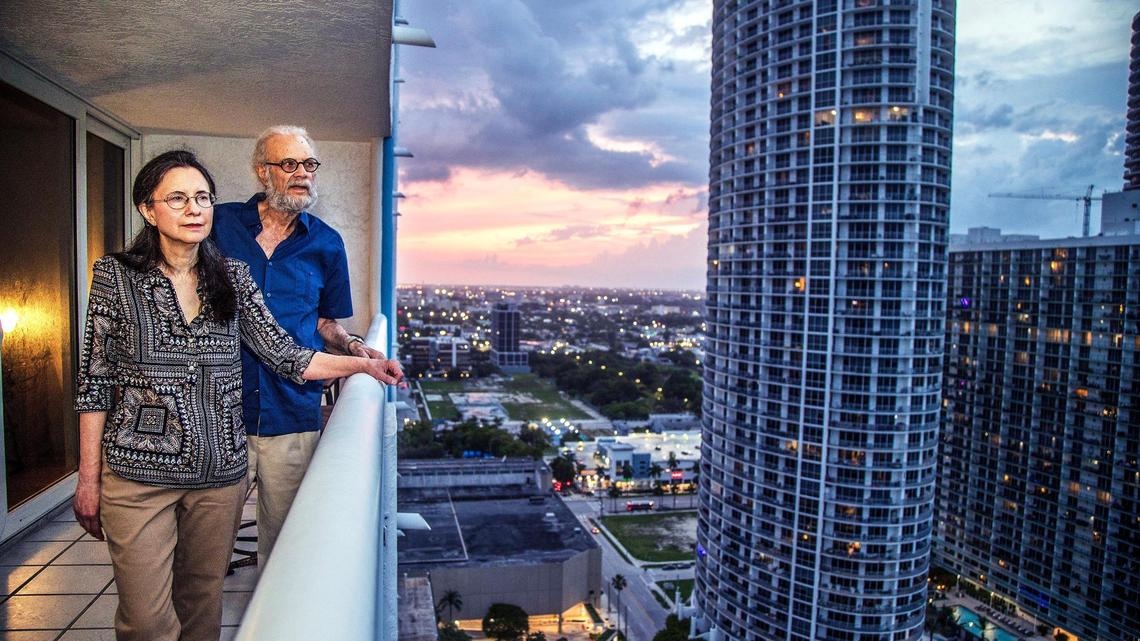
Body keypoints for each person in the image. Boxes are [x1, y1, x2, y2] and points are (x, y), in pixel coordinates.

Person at [74, 150, 400, 641]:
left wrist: (365, 364)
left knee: (202, 603)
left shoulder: (231, 276)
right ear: (148, 209)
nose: (194, 209)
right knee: (145, 619)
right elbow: (94, 380)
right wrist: (88, 477)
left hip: (219, 475)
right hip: (138, 473)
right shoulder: (116, 277)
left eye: (203, 198)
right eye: (177, 199)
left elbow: (287, 355)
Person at [211, 125, 402, 564]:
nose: (303, 174)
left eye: (309, 165)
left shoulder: (327, 243)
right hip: (219, 414)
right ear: (263, 172)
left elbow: (324, 322)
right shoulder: (219, 226)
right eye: (289, 164)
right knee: (205, 551)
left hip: (292, 413)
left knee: (286, 549)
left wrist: (353, 348)